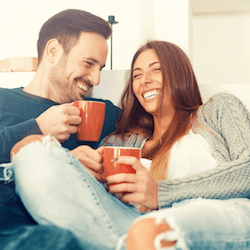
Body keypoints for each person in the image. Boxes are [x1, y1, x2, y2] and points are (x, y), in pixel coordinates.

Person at [9, 40, 250, 250]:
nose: (144, 81)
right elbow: (97, 203)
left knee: (150, 232)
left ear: (180, 74)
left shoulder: (217, 110)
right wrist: (76, 163)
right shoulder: (121, 141)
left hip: (224, 218)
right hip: (134, 229)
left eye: (156, 70)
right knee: (29, 150)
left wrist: (161, 193)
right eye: (136, 75)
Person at [0, 9, 121, 250]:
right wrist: (38, 128)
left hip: (61, 235)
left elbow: (165, 120)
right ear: (53, 51)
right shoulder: (2, 101)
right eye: (88, 63)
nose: (96, 79)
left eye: (100, 67)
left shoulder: (100, 113)